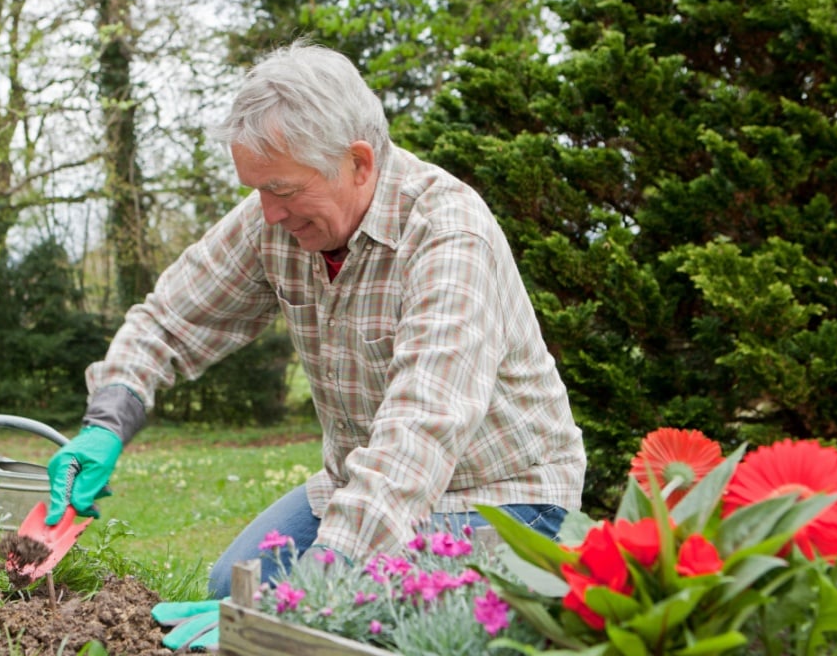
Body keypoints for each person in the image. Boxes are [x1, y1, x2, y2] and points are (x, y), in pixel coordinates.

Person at [46, 41, 586, 601]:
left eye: (282, 189)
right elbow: (169, 319)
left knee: (351, 623)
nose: (270, 213)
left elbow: (422, 428)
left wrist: (322, 581)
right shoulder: (274, 220)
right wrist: (107, 421)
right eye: (258, 190)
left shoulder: (447, 234)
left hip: (504, 498)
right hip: (359, 483)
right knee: (234, 592)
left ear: (359, 163)